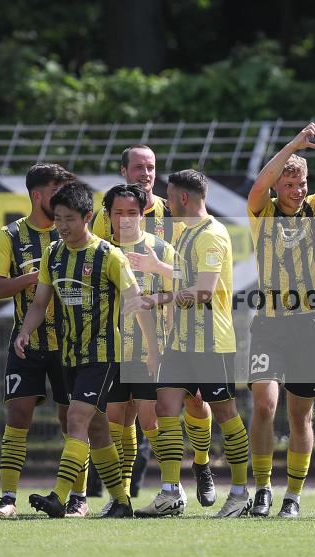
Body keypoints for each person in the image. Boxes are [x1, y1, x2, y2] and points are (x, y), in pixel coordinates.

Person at [16, 181, 159, 519]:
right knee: (95, 430)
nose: (62, 226)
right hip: (69, 354)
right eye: (58, 219)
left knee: (76, 420)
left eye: (69, 219)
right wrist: (24, 332)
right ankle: (122, 502)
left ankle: (59, 496)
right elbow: (39, 303)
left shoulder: (109, 256)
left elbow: (136, 303)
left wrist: (153, 350)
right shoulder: (53, 254)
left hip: (103, 354)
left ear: (88, 217)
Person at [91, 145, 217, 506]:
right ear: (123, 171)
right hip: (124, 330)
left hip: (177, 320)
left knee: (194, 400)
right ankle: (126, 495)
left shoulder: (170, 211)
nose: (145, 173)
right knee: (125, 413)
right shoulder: (107, 216)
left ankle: (202, 464)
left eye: (151, 167)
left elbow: (188, 269)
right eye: (138, 167)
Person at [244, 121, 315, 518]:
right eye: (289, 185)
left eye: (301, 183)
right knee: (263, 405)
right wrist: (295, 144)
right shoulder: (262, 211)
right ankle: (262, 489)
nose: (297, 191)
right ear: (279, 186)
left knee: (300, 414)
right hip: (269, 325)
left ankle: (292, 496)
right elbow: (258, 185)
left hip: (307, 325)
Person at [134, 169, 250, 518]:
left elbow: (204, 290)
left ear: (183, 197)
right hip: (181, 342)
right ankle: (171, 492)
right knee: (165, 409)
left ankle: (242, 493)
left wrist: (157, 300)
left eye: (169, 197)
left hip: (212, 342)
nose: (165, 203)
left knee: (227, 414)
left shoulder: (211, 235)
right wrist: (159, 269)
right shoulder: (186, 233)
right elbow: (189, 279)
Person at [0, 163, 75, 519]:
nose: (62, 198)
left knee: (74, 422)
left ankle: (76, 498)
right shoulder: (10, 236)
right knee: (18, 415)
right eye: (56, 191)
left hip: (71, 344)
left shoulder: (73, 232)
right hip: (28, 342)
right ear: (38, 196)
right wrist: (35, 277)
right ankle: (8, 498)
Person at [92, 183, 176, 517]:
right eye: (118, 213)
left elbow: (189, 288)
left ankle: (172, 490)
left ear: (143, 214)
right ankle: (121, 498)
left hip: (149, 349)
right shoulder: (98, 251)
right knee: (117, 420)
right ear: (107, 216)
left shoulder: (162, 248)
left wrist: (157, 294)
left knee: (151, 417)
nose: (125, 219)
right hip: (111, 350)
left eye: (132, 212)